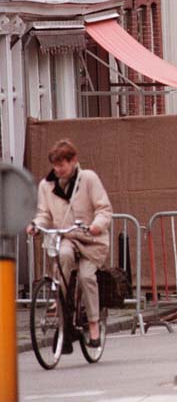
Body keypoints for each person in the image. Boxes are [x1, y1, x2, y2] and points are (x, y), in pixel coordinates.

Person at [28, 139, 112, 351]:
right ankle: (62, 305)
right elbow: (44, 214)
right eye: (55, 165)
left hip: (92, 240)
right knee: (63, 256)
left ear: (73, 161)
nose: (58, 170)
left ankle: (93, 323)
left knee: (86, 276)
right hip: (67, 237)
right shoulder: (46, 185)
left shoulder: (88, 179)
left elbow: (104, 208)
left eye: (62, 165)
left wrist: (96, 225)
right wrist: (36, 225)